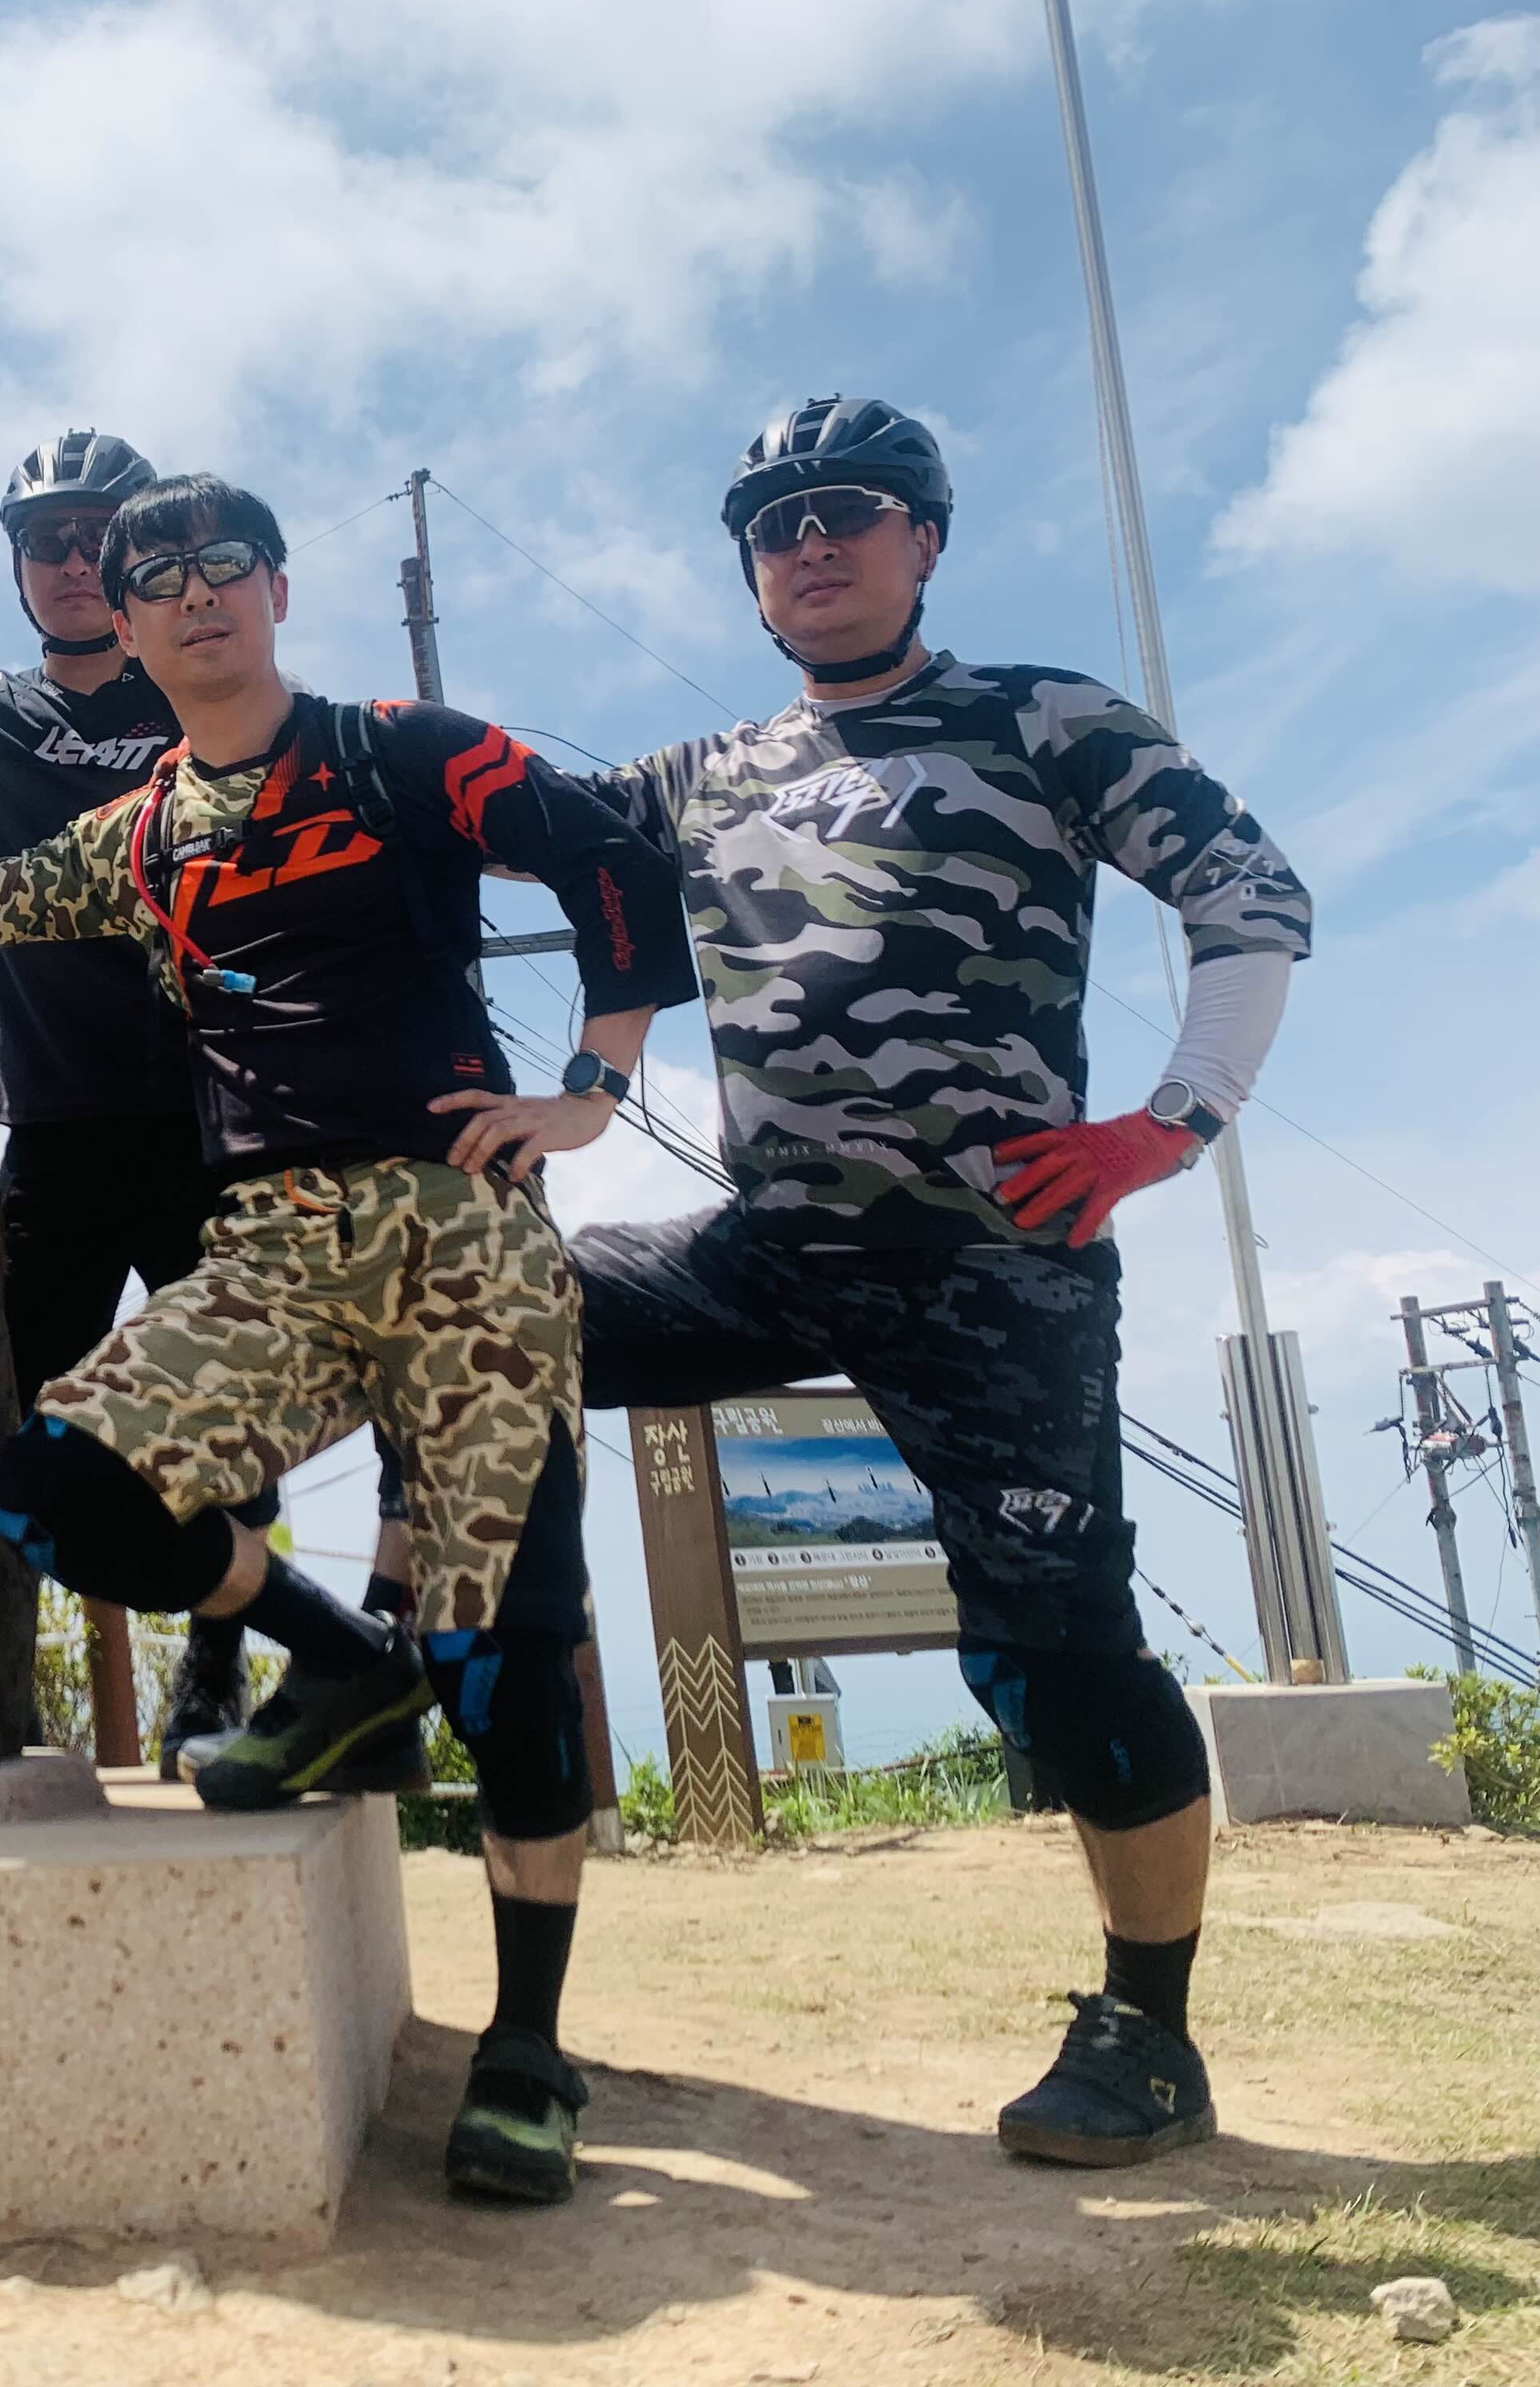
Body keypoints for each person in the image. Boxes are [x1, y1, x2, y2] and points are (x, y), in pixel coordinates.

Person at [0, 476, 699, 2203]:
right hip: (272, 1255)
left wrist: (593, 1088)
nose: (193, 593)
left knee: (507, 1652)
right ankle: (340, 1654)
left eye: (225, 563)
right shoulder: (147, 827)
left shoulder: (406, 752)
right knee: (54, 1487)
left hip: (465, 1237)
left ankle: (527, 2048)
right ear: (126, 619)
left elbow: (610, 848)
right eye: (156, 575)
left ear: (279, 590)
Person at [524, 397, 1313, 2168]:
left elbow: (1254, 898)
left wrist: (1169, 1127)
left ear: (925, 539)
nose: (812, 542)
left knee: (1060, 1649)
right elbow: (484, 820)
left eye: (852, 510)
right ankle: (388, 1674)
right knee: (482, 1312)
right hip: (768, 1245)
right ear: (749, 569)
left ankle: (1153, 2037)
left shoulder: (1043, 717)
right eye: (777, 522)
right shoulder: (698, 774)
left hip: (994, 1267)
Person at [0, 427, 274, 1778]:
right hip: (54, 1140)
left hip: (225, 1123)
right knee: (6, 1418)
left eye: (106, 538)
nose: (78, 561)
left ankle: (216, 1673)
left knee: (230, 1411)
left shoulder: (213, 699)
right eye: (48, 541)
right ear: (18, 567)